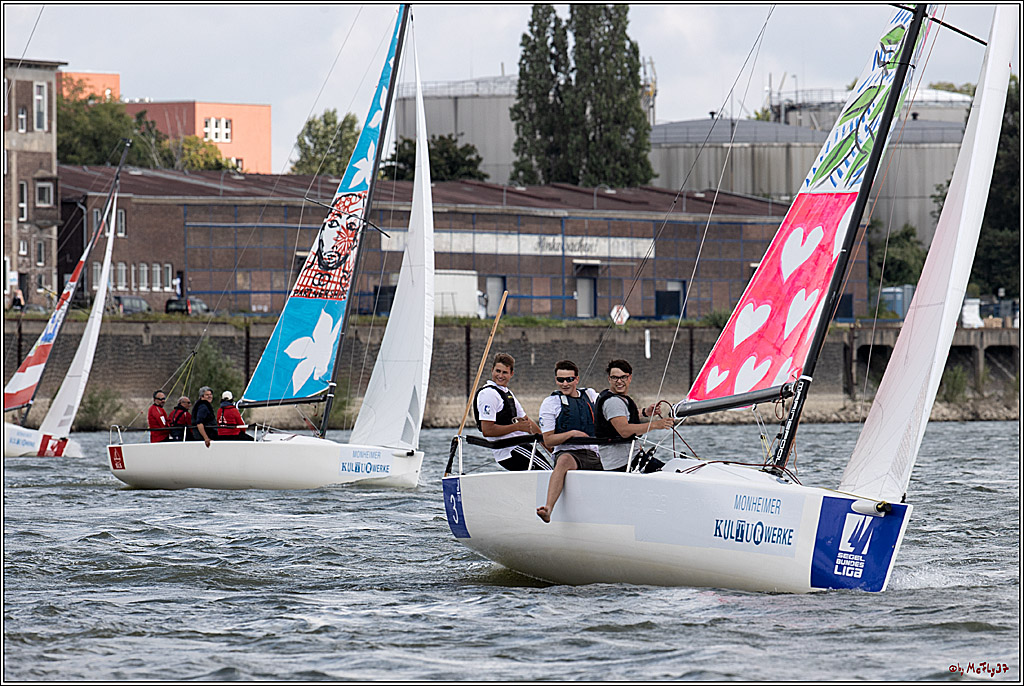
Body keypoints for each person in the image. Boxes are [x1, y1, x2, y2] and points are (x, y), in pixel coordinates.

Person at [535, 360, 602, 523]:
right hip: (569, 453)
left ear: (576, 379)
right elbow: (548, 440)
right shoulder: (550, 403)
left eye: (569, 379)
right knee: (564, 460)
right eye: (560, 380)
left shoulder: (591, 395)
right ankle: (548, 508)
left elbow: (613, 414)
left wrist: (644, 412)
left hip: (595, 453)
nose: (564, 384)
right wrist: (572, 433)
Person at [473, 352, 551, 470]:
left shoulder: (507, 393)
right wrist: (517, 427)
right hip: (510, 449)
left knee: (551, 472)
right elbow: (487, 430)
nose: (500, 375)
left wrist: (549, 446)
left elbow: (527, 422)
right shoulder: (489, 394)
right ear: (492, 370)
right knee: (549, 473)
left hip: (520, 445)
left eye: (505, 372)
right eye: (498, 371)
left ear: (511, 374)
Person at [595, 359, 674, 471]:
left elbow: (620, 415)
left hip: (632, 458)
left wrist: (645, 412)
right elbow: (624, 431)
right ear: (609, 379)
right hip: (623, 464)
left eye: (623, 377)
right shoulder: (613, 402)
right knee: (672, 472)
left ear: (630, 378)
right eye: (615, 378)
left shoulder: (614, 398)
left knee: (670, 470)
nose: (619, 381)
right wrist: (655, 425)